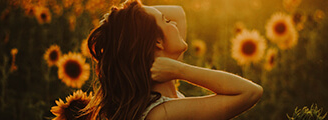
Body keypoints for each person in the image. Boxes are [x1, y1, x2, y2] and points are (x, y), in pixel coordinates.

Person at [83, 0, 263, 119]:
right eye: (166, 21)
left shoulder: (161, 93)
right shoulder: (163, 114)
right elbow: (250, 92)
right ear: (157, 42)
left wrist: (127, 20)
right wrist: (181, 70)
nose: (174, 22)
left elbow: (178, 13)